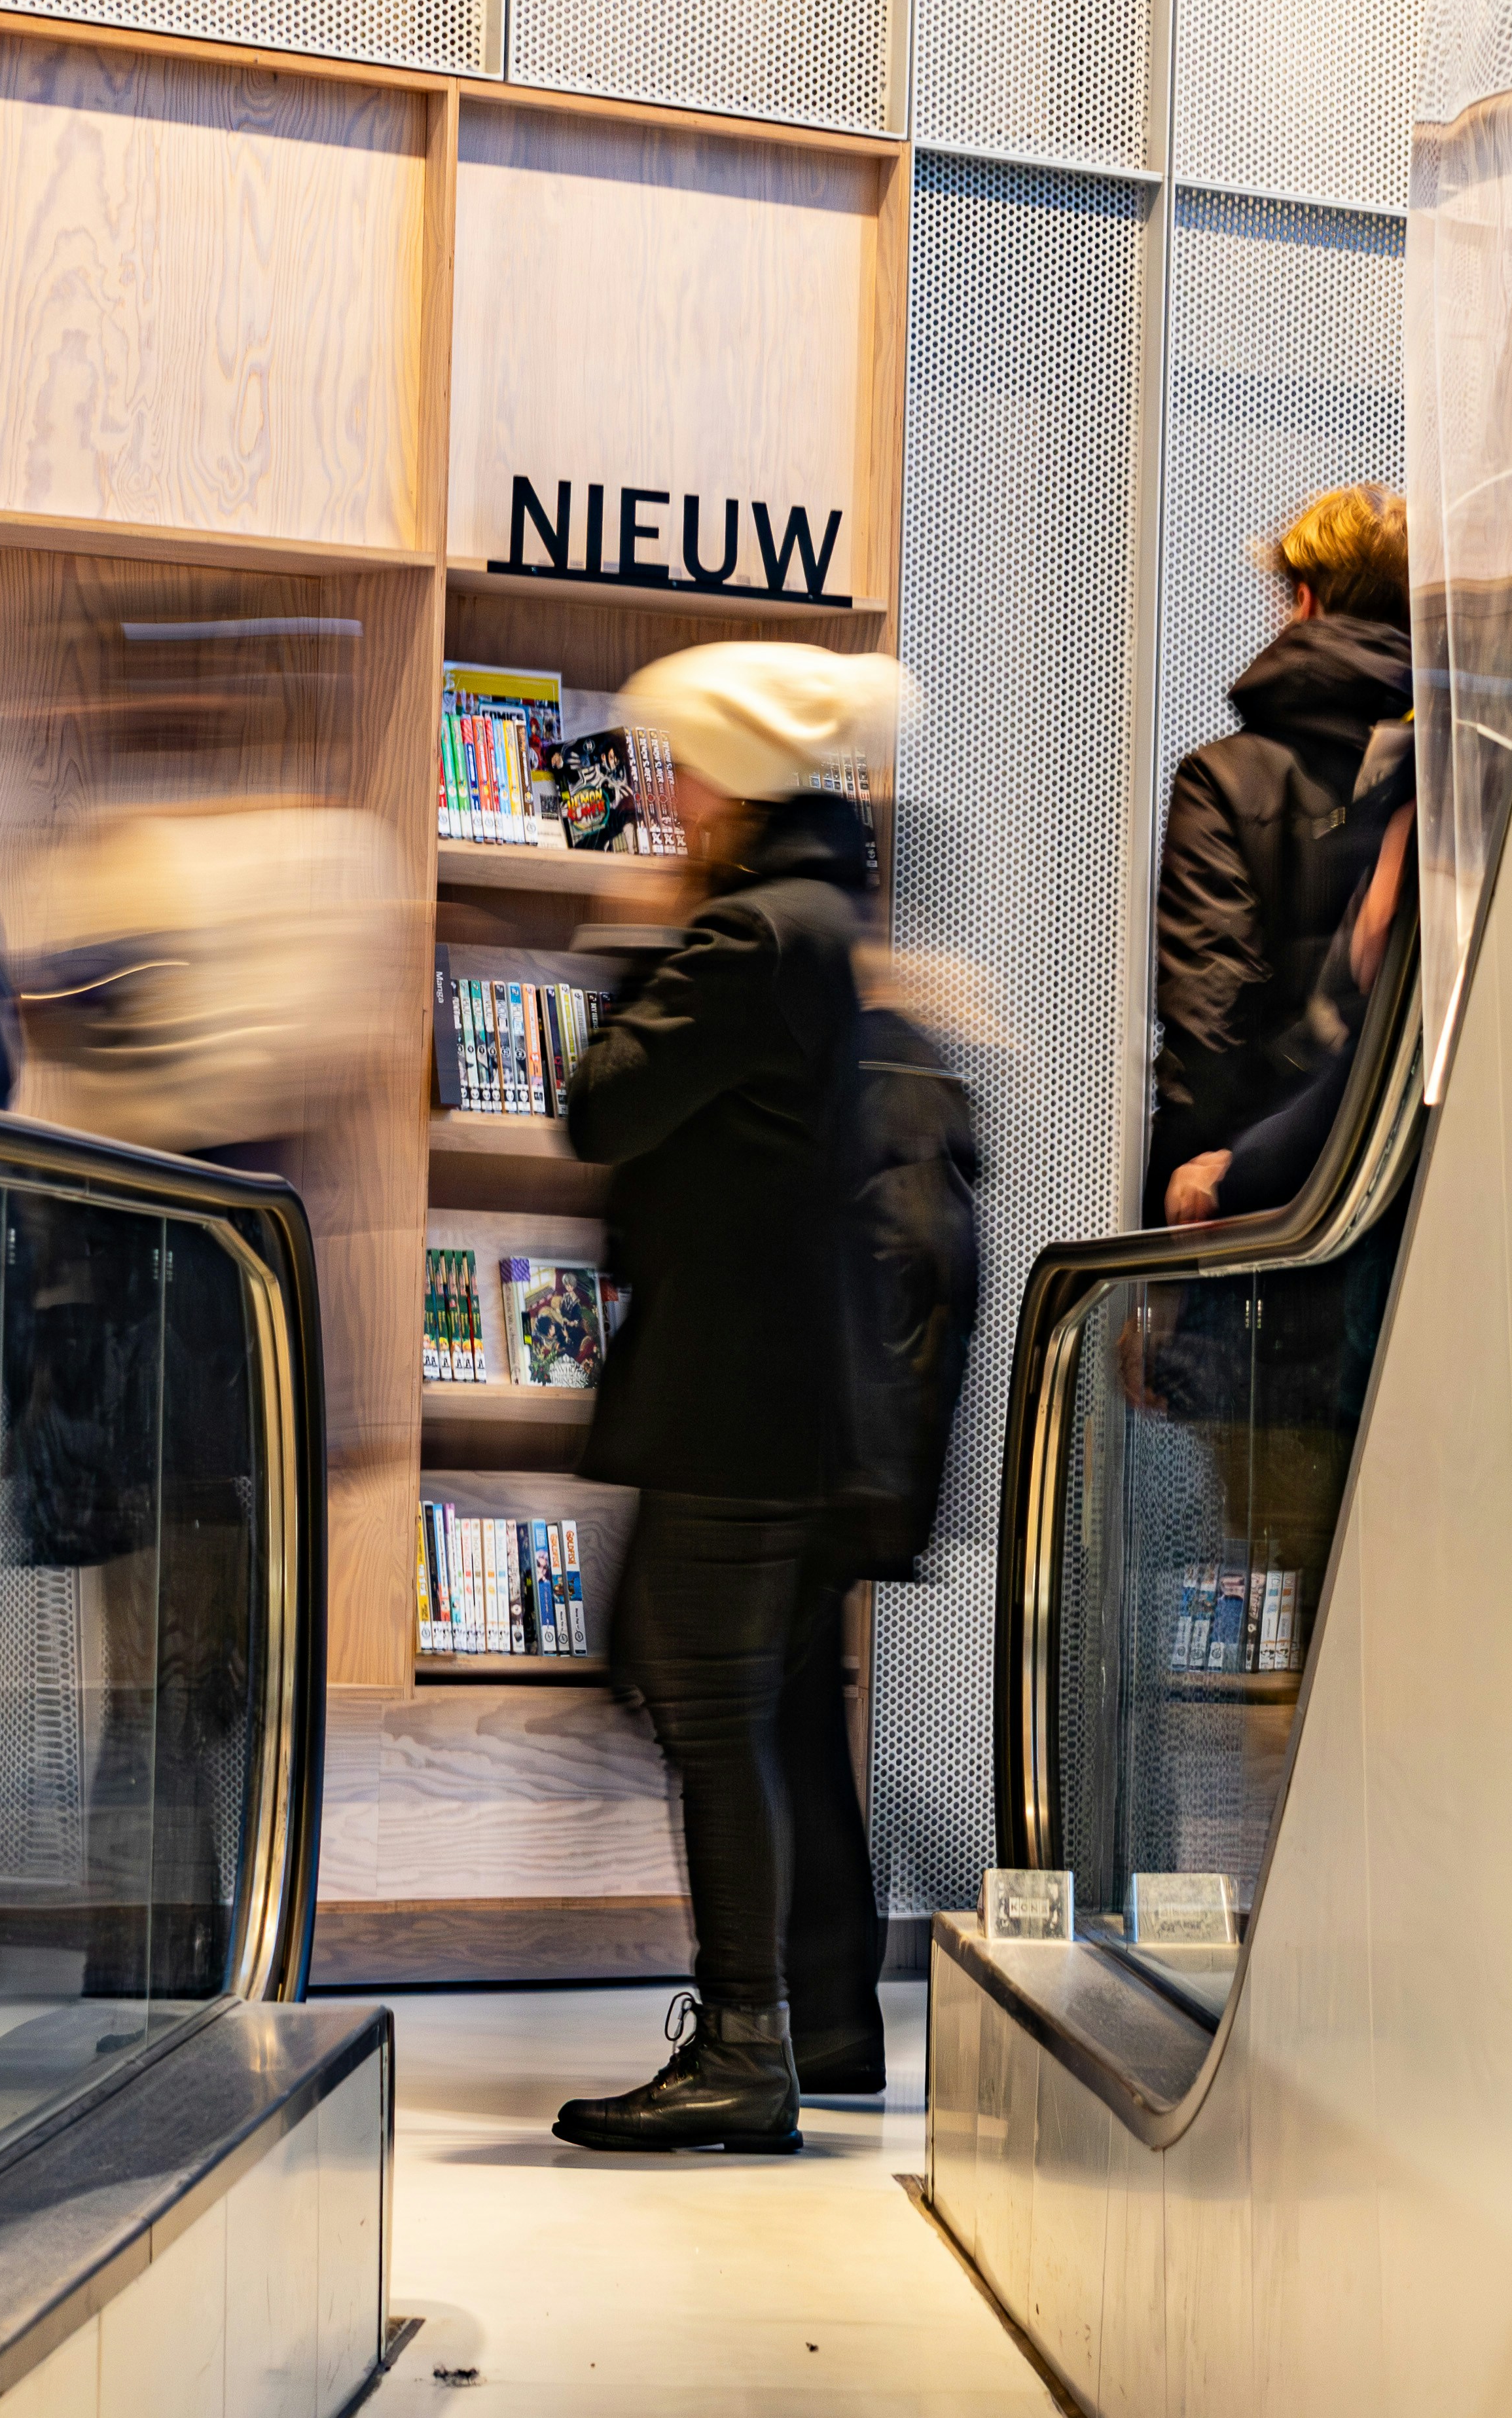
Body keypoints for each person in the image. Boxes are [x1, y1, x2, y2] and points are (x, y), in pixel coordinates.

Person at [552, 640, 899, 2155]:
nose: (668, 797)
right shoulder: (819, 917)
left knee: (709, 1708)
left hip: (732, 1387)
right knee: (722, 1701)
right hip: (775, 1383)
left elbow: (597, 1108)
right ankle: (763, 2026)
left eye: (685, 766)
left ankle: (746, 2038)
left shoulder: (747, 936)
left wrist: (635, 939)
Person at [1145, 485, 1414, 1226]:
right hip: (1397, 1200)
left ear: (1304, 600)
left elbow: (1209, 1029)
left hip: (1244, 1210)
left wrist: (1201, 1191)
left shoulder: (1223, 780)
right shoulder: (1448, 774)